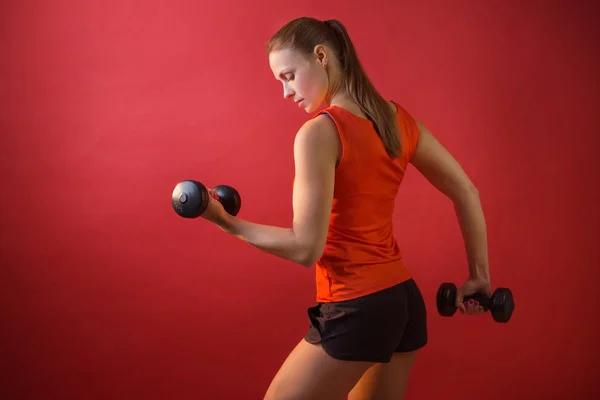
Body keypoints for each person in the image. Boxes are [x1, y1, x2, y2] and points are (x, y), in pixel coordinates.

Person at [199, 16, 493, 400]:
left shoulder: (320, 133)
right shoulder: (397, 120)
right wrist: (479, 275)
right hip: (401, 303)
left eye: (288, 75)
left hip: (357, 307)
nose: (286, 92)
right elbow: (466, 191)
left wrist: (227, 223)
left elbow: (307, 248)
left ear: (321, 57)